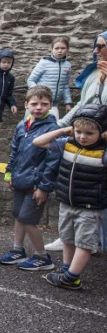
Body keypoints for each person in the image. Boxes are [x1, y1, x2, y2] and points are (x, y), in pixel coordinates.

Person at [32, 104, 107, 289]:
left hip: (90, 207)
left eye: (89, 134)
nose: (82, 137)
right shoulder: (67, 144)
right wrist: (65, 130)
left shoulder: (103, 153)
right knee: (67, 238)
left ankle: (72, 277)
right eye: (79, 131)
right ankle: (66, 269)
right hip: (67, 202)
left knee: (84, 243)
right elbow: (38, 142)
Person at [46, 31, 107, 253]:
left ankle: (91, 243)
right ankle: (71, 239)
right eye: (96, 45)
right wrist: (57, 124)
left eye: (100, 46)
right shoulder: (94, 75)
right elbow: (83, 106)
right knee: (78, 189)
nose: (95, 50)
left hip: (101, 147)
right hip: (85, 142)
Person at [0, 86, 58, 270]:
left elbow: (52, 162)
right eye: (34, 103)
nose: (39, 107)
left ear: (50, 105)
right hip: (19, 179)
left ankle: (42, 257)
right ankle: (17, 250)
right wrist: (9, 173)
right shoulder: (21, 126)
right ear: (26, 105)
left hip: (36, 184)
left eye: (44, 104)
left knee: (29, 220)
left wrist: (44, 187)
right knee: (18, 215)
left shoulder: (52, 129)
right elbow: (14, 152)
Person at [27, 36, 73, 121]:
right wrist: (38, 93)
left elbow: (65, 85)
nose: (60, 51)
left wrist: (68, 103)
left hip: (54, 105)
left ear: (67, 49)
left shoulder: (68, 65)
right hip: (39, 103)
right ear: (51, 49)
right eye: (57, 48)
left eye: (63, 48)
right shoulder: (44, 63)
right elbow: (31, 80)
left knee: (52, 129)